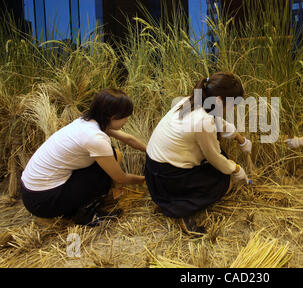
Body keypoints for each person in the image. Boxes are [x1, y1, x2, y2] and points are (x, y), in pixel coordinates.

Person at [21, 88, 146, 226]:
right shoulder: (95, 138)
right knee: (105, 171)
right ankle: (86, 215)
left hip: (31, 192)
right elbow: (120, 177)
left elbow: (128, 139)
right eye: (125, 117)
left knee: (114, 155)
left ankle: (74, 206)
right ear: (112, 117)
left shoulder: (89, 121)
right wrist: (146, 180)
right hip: (43, 201)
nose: (127, 120)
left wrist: (150, 151)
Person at [145, 72, 251, 234]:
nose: (232, 109)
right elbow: (214, 157)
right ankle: (181, 210)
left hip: (153, 172)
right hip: (168, 178)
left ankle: (172, 200)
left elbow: (218, 124)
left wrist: (239, 138)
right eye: (232, 104)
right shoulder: (203, 120)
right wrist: (236, 170)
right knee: (225, 182)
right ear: (219, 101)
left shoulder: (189, 101)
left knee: (222, 160)